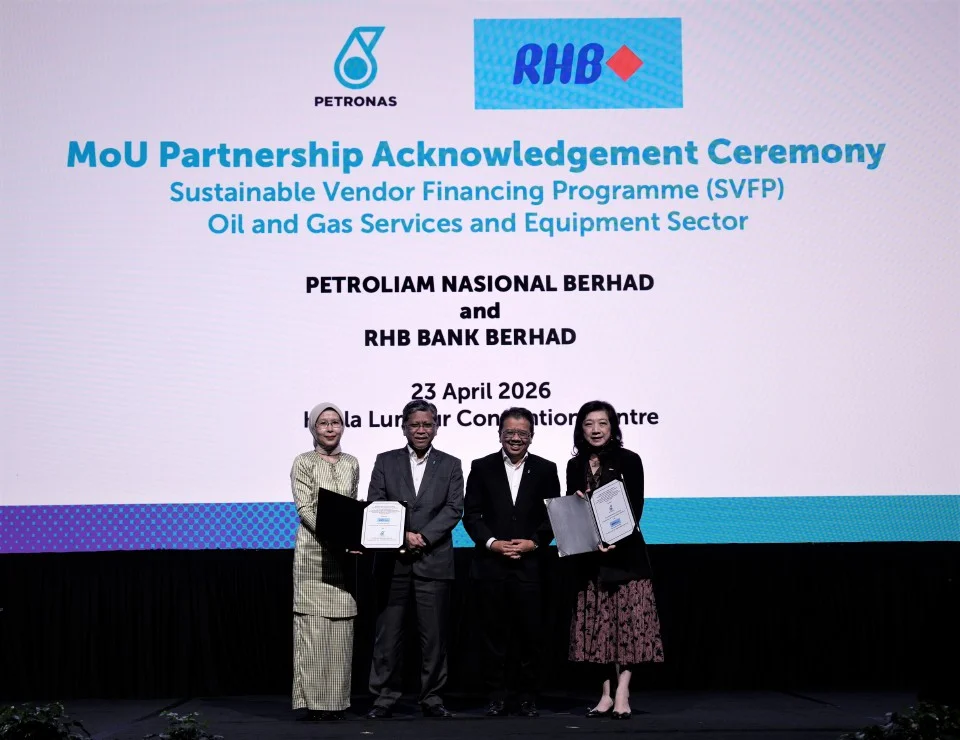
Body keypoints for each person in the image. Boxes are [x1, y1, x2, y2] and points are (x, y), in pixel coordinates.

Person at [366, 400, 464, 719]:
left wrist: (423, 537)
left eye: (427, 424)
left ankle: (432, 698)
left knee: (433, 637)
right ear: (404, 427)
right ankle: (384, 697)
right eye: (415, 425)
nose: (421, 430)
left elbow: (454, 508)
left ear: (436, 427)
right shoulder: (385, 461)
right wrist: (403, 535)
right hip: (393, 562)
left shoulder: (451, 464)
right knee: (387, 636)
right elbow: (376, 503)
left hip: (433, 560)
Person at [566, 400, 664, 720]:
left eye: (602, 423)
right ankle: (606, 695)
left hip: (625, 559)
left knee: (628, 629)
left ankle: (623, 691)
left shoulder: (629, 460)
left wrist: (611, 539)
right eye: (588, 424)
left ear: (613, 427)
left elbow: (635, 509)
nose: (595, 430)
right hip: (591, 561)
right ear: (580, 429)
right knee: (599, 630)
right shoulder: (574, 465)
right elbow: (574, 512)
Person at [463, 407, 561, 717]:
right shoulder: (481, 467)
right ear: (499, 434)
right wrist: (492, 543)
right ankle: (496, 696)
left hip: (531, 568)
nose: (515, 438)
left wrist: (534, 542)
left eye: (522, 433)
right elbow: (472, 514)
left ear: (532, 436)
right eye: (510, 432)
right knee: (493, 637)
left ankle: (528, 697)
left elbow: (553, 514)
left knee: (531, 637)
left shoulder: (546, 469)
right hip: (491, 567)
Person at [290, 402, 360, 721]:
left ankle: (336, 703)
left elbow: (353, 507)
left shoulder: (352, 463)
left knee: (341, 631)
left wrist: (353, 540)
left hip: (343, 558)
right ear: (313, 429)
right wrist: (338, 537)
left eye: (335, 422)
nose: (330, 428)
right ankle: (314, 704)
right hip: (313, 555)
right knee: (313, 630)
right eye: (323, 423)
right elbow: (305, 508)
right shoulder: (303, 462)